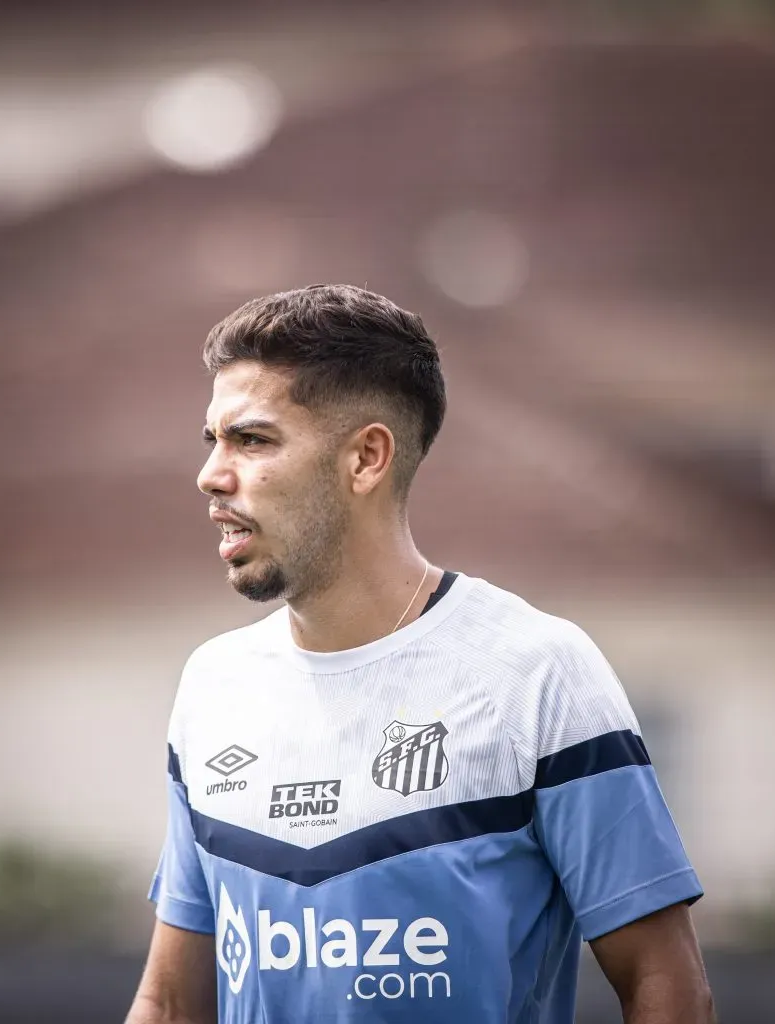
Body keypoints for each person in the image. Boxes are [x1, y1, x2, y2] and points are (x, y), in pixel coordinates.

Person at [126, 284, 714, 1024]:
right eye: (211, 441)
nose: (211, 474)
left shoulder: (535, 671)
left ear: (367, 457)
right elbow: (174, 1002)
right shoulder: (214, 684)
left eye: (251, 439)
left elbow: (667, 988)